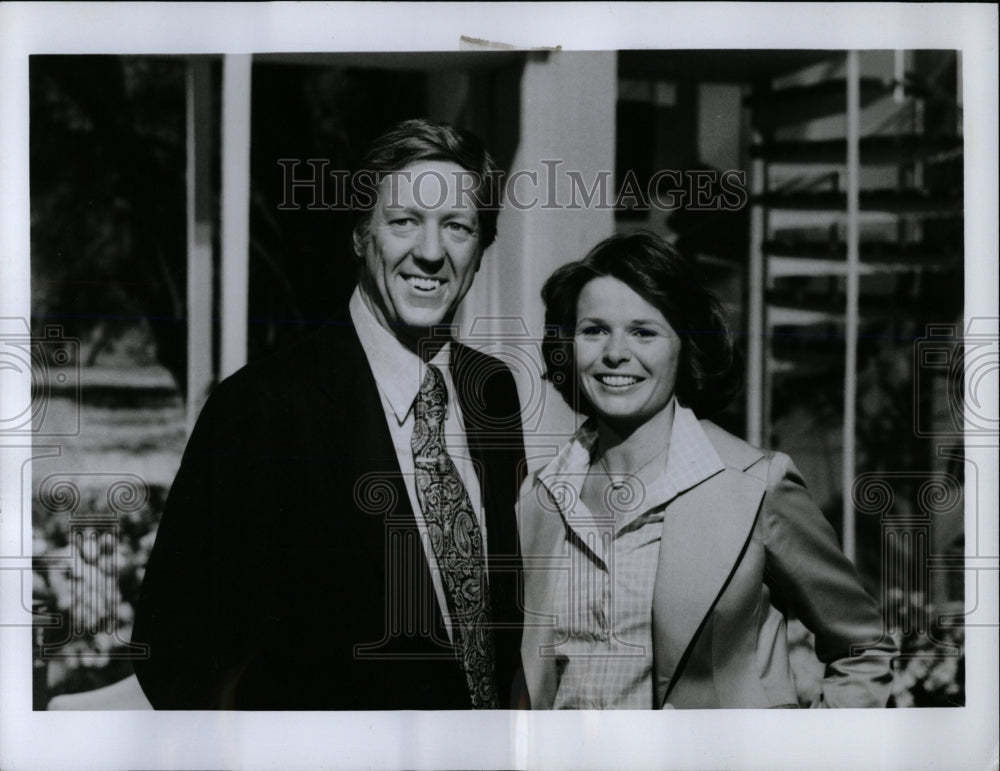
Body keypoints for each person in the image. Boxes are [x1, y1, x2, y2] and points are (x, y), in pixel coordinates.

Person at [132, 119, 526, 709]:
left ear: (482, 245)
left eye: (457, 226)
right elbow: (176, 659)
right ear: (360, 234)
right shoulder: (262, 410)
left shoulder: (490, 390)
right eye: (404, 222)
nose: (430, 252)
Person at [519, 232, 896, 709]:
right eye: (594, 330)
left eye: (643, 332)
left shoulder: (757, 486)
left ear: (684, 347)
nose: (615, 353)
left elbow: (862, 646)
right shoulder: (540, 497)